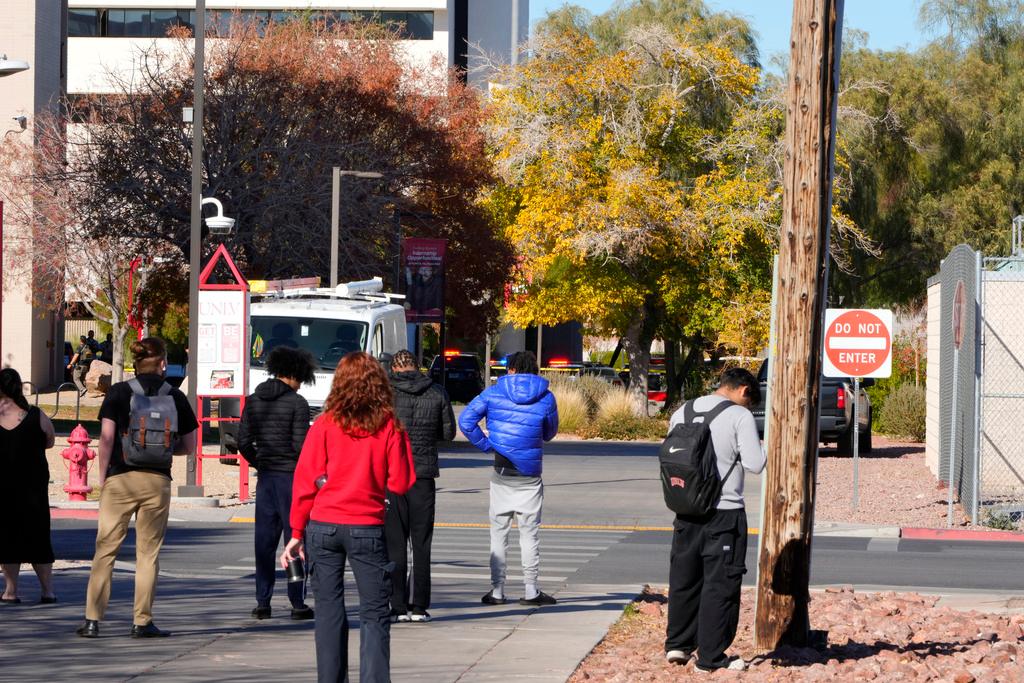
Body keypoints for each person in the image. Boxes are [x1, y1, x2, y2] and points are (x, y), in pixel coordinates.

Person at [282, 351, 415, 683]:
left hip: (324, 525)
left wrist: (296, 532)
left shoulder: (325, 424)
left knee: (328, 610)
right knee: (374, 612)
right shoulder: (387, 425)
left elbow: (304, 480)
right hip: (366, 526)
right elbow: (401, 481)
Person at [76, 338, 199, 639]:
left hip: (120, 479)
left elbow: (106, 439)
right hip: (157, 481)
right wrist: (161, 447)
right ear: (162, 364)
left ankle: (93, 620)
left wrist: (104, 479)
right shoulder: (176, 397)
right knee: (148, 554)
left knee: (106, 549)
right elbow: (188, 445)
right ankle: (141, 621)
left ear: (136, 363)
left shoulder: (118, 393)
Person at [663, 367, 765, 672]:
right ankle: (710, 658)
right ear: (744, 390)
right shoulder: (739, 415)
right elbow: (755, 464)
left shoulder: (683, 410)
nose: (749, 408)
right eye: (750, 402)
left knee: (685, 578)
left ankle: (678, 646)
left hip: (685, 508)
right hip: (725, 511)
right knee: (720, 584)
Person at [458, 351, 559, 607]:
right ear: (534, 370)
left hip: (501, 471)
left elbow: (466, 420)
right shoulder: (546, 397)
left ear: (510, 369)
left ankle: (497, 590)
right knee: (529, 534)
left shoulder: (493, 393)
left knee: (498, 534)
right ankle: (531, 589)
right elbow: (549, 433)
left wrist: (487, 445)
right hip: (530, 475)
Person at [237, 346, 317, 621]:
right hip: (291, 479)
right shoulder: (297, 403)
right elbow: (301, 446)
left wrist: (260, 461)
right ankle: (296, 600)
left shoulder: (253, 400)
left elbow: (243, 442)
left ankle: (263, 600)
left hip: (267, 477)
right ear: (295, 374)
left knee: (264, 541)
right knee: (294, 540)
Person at [385, 349, 455, 623]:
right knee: (421, 543)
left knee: (395, 544)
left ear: (394, 368)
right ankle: (419, 606)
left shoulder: (386, 395)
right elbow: (448, 433)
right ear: (417, 366)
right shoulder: (436, 392)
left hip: (392, 475)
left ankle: (397, 604)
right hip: (423, 474)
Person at [0, 368, 58, 604]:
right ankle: (47, 590)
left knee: (7, 538)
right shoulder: (36, 414)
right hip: (33, 487)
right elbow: (50, 440)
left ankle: (11, 591)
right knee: (39, 536)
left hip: (3, 488)